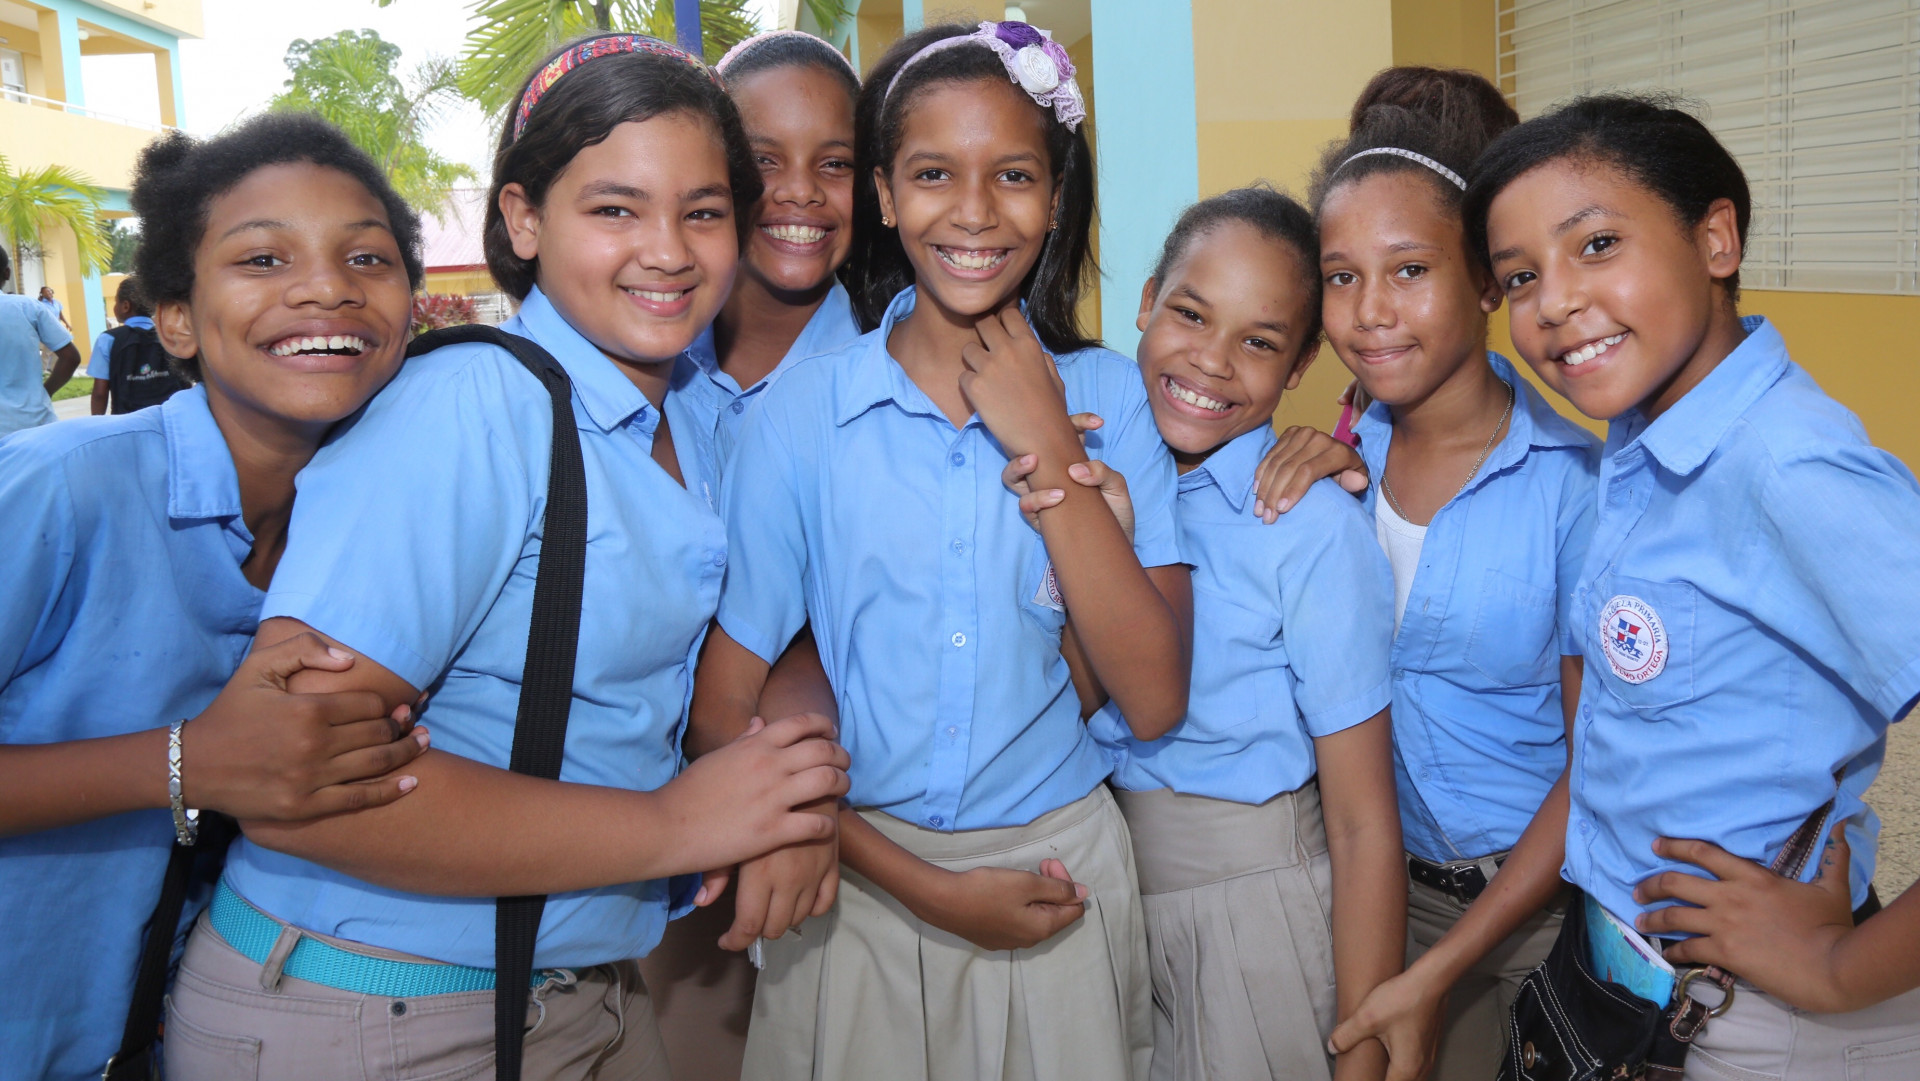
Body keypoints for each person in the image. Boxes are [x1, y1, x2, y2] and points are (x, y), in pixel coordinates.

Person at [161, 36, 851, 1078]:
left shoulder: (702, 414)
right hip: (372, 1006)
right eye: (615, 208)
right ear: (524, 220)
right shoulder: (472, 408)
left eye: (703, 212)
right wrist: (674, 823)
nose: (667, 250)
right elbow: (297, 783)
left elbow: (768, 623)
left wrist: (790, 786)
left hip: (576, 986)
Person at [688, 20, 1191, 1081]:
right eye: (932, 174)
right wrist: (919, 882)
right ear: (883, 193)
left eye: (1013, 175)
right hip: (853, 888)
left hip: (1059, 879)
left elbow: (1152, 697)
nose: (973, 211)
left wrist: (1050, 446)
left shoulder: (1110, 400)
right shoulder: (803, 416)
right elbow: (720, 707)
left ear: (1056, 194)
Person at [1467, 93, 1920, 1078]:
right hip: (1625, 984)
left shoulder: (1788, 465)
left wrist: (1843, 967)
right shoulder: (1641, 439)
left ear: (1716, 238)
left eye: (1596, 245)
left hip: (1751, 1020)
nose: (1553, 303)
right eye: (1520, 276)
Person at [0, 113, 432, 1081]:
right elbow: (213, 768)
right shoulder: (64, 489)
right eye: (263, 258)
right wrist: (186, 762)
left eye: (368, 257)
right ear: (178, 320)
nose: (326, 286)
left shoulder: (376, 526)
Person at [1060, 186, 1406, 1081]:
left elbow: (1364, 819)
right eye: (1190, 313)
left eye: (1258, 342)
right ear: (1145, 301)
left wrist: (1364, 1050)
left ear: (1299, 366)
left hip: (1250, 908)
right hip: (1100, 889)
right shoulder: (1083, 467)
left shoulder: (1307, 525)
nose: (1211, 362)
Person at [638, 28, 865, 1080]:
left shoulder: (893, 374)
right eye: (763, 159)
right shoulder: (637, 350)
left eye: (835, 161)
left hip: (832, 833)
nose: (800, 192)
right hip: (626, 828)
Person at [0, 249, 80, 436]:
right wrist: (46, 392)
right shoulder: (27, 307)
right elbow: (71, 357)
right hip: (34, 424)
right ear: (7, 273)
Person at [88, 276, 188, 415]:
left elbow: (100, 392)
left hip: (127, 420)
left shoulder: (108, 339)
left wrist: (98, 422)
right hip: (169, 417)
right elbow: (186, 381)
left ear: (125, 306)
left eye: (116, 302)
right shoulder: (171, 335)